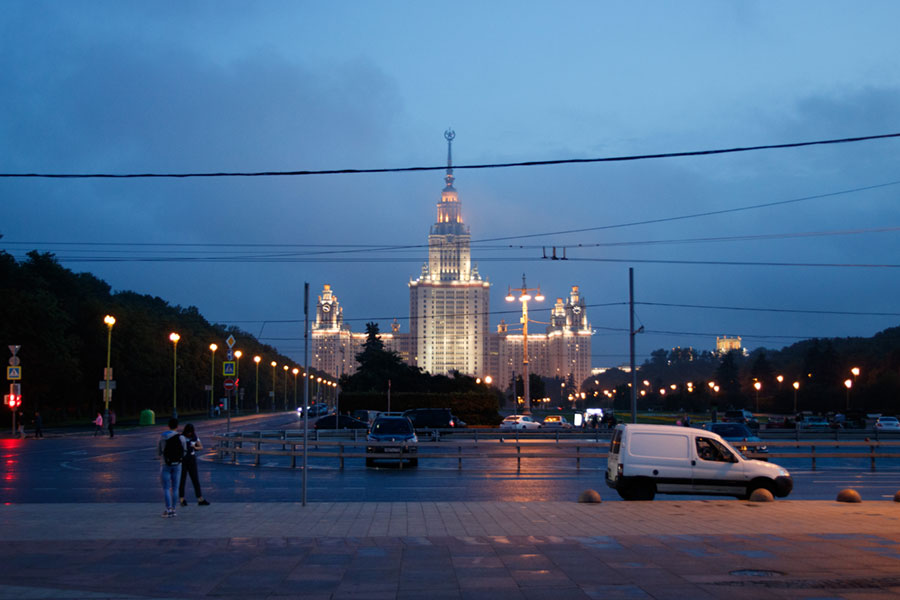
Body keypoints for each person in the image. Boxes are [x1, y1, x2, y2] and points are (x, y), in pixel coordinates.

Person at [158, 417, 186, 518]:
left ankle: (168, 509)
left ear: (168, 426)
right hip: (178, 465)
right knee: (175, 488)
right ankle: (174, 509)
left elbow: (159, 451)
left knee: (166, 488)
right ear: (177, 426)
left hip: (165, 464)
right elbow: (184, 451)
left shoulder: (163, 436)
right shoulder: (181, 438)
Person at [178, 423, 210, 507]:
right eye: (188, 432)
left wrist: (195, 447)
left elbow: (201, 447)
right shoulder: (181, 437)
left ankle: (200, 498)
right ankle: (182, 499)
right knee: (182, 480)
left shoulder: (194, 437)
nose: (189, 434)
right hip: (183, 459)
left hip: (191, 459)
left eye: (191, 432)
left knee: (195, 479)